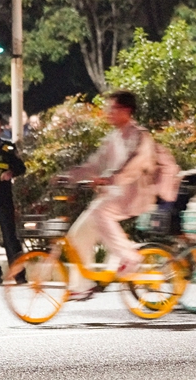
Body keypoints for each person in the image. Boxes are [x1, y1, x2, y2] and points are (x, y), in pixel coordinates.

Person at [59, 91, 157, 299]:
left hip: (135, 193)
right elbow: (95, 163)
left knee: (100, 213)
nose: (108, 113)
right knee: (78, 233)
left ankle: (130, 257)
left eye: (112, 109)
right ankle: (82, 285)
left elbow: (134, 162)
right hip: (113, 194)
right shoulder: (113, 138)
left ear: (126, 111)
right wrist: (71, 176)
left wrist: (111, 178)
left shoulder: (140, 135)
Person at [0, 109, 26, 285]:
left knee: (10, 237)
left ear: (0, 128)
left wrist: (11, 172)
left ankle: (19, 275)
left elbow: (22, 168)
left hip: (2, 198)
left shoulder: (7, 147)